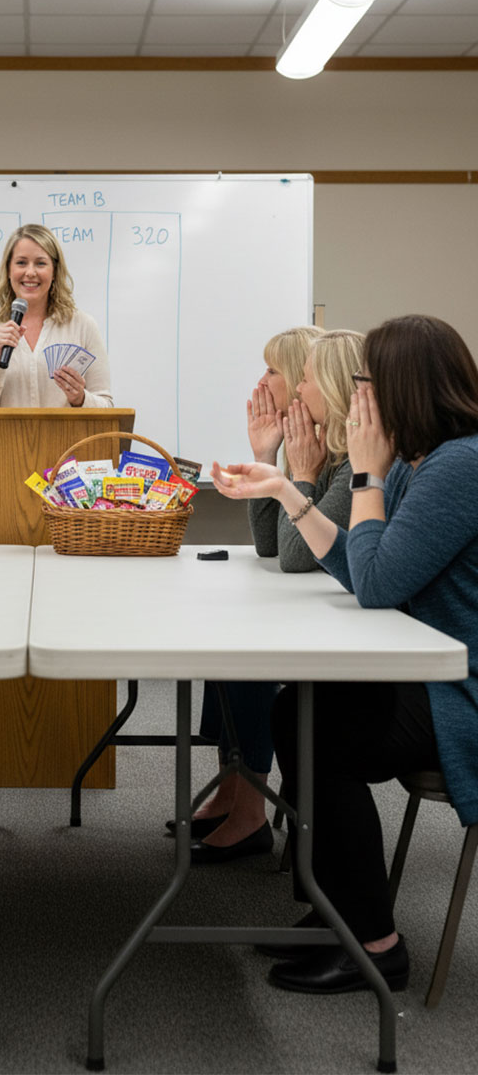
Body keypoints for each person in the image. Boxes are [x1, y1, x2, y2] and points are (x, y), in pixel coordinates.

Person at [211, 313, 478, 994]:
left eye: (369, 384)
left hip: (459, 690)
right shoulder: (422, 464)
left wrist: (364, 473)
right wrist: (282, 491)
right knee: (299, 713)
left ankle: (376, 944)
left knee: (321, 732)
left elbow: (378, 584)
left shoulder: (457, 467)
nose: (361, 398)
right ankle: (336, 911)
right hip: (425, 668)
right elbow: (362, 569)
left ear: (404, 389)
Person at [182, 328, 363, 863]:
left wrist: (297, 477)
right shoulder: (316, 449)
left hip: (349, 628)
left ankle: (250, 810)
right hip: (326, 610)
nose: (263, 384)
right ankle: (236, 791)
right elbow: (268, 545)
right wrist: (270, 454)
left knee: (247, 653)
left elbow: (293, 557)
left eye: (279, 374)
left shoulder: (346, 461)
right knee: (229, 637)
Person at [0, 223, 113, 408]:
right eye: (21, 263)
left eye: (40, 263)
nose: (30, 272)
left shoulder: (83, 326)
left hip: (69, 438)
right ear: (8, 270)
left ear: (54, 271)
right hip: (3, 438)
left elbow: (106, 406)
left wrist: (81, 399)